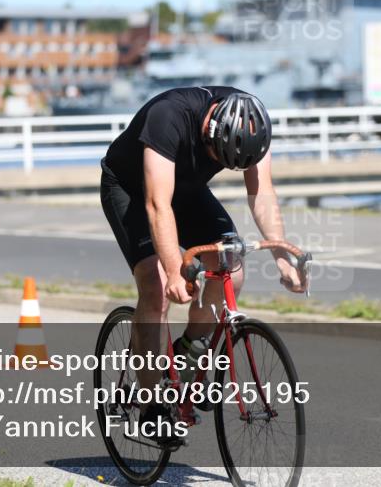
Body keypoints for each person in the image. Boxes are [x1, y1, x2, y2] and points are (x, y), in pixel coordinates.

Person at [100, 86, 306, 446]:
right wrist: (174, 270)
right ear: (209, 130)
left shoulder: (253, 126)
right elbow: (157, 206)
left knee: (232, 266)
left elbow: (262, 195)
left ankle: (189, 348)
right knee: (156, 286)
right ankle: (150, 411)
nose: (224, 166)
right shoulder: (169, 117)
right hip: (131, 190)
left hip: (187, 189)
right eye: (219, 157)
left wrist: (282, 259)